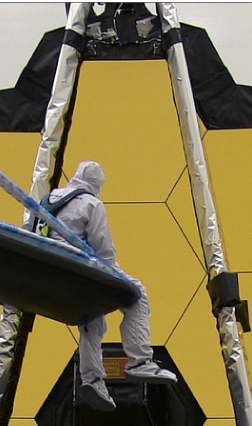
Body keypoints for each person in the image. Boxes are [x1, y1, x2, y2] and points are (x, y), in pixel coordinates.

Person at [42, 160, 177, 412]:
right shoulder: (91, 204)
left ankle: (92, 379)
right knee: (136, 294)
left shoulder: (48, 200)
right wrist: (114, 281)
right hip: (76, 271)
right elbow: (103, 251)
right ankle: (139, 360)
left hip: (48, 273)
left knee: (92, 319)